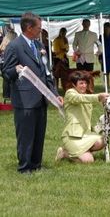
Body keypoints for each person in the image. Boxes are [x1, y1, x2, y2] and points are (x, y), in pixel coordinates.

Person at [2, 12, 63, 173]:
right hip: (24, 99)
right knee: (26, 134)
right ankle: (24, 167)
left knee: (39, 133)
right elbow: (6, 72)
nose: (40, 31)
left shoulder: (39, 46)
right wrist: (15, 70)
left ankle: (36, 164)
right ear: (29, 28)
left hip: (41, 98)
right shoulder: (14, 46)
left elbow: (47, 72)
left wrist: (54, 93)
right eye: (39, 28)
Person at [55, 71, 109, 163]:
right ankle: (64, 153)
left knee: (104, 140)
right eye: (81, 83)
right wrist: (99, 97)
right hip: (72, 137)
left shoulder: (85, 95)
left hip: (85, 135)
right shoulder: (70, 93)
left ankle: (83, 152)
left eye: (85, 83)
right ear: (73, 84)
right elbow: (79, 99)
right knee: (89, 161)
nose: (84, 86)